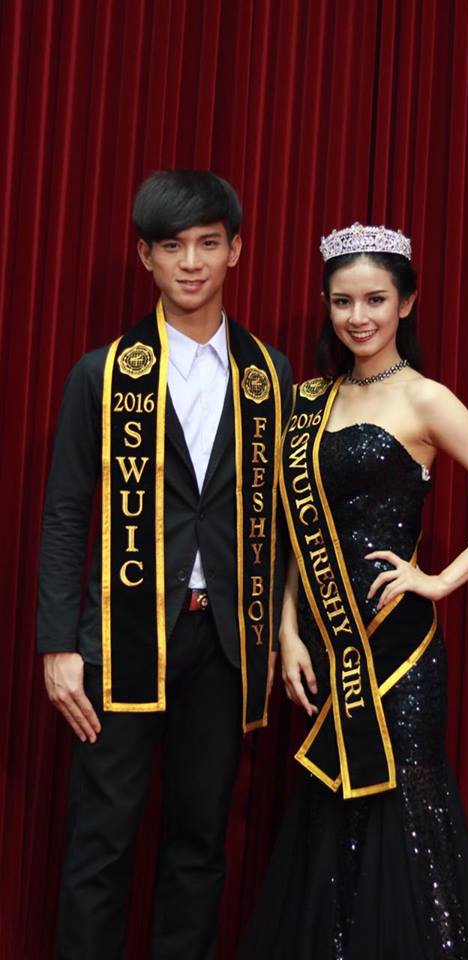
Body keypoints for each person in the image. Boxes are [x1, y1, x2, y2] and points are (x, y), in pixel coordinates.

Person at [238, 223, 468, 959]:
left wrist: (437, 580)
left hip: (398, 651)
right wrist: (285, 632)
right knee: (332, 820)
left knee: (405, 820)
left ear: (406, 302)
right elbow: (289, 530)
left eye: (375, 299)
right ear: (326, 305)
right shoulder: (308, 400)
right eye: (342, 301)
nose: (358, 316)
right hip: (324, 646)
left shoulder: (427, 399)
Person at [37, 169, 292, 959]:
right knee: (100, 841)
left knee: (200, 840)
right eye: (172, 246)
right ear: (146, 256)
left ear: (235, 251)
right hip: (121, 639)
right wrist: (58, 645)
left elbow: (282, 521)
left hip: (224, 643)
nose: (191, 263)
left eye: (208, 244)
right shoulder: (103, 373)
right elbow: (66, 511)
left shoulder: (270, 377)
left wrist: (277, 631)